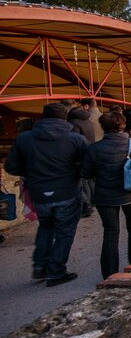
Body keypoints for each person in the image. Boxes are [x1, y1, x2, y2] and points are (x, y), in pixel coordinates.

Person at [5, 102, 88, 286]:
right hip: (67, 191)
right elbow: (87, 166)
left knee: (45, 228)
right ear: (64, 118)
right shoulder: (75, 140)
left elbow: (11, 166)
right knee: (64, 232)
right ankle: (56, 271)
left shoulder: (24, 139)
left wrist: (31, 171)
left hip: (39, 192)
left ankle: (40, 267)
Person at [81, 111, 131, 279]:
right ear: (123, 125)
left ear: (104, 127)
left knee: (110, 233)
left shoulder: (94, 148)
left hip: (105, 196)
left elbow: (85, 173)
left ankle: (109, 273)